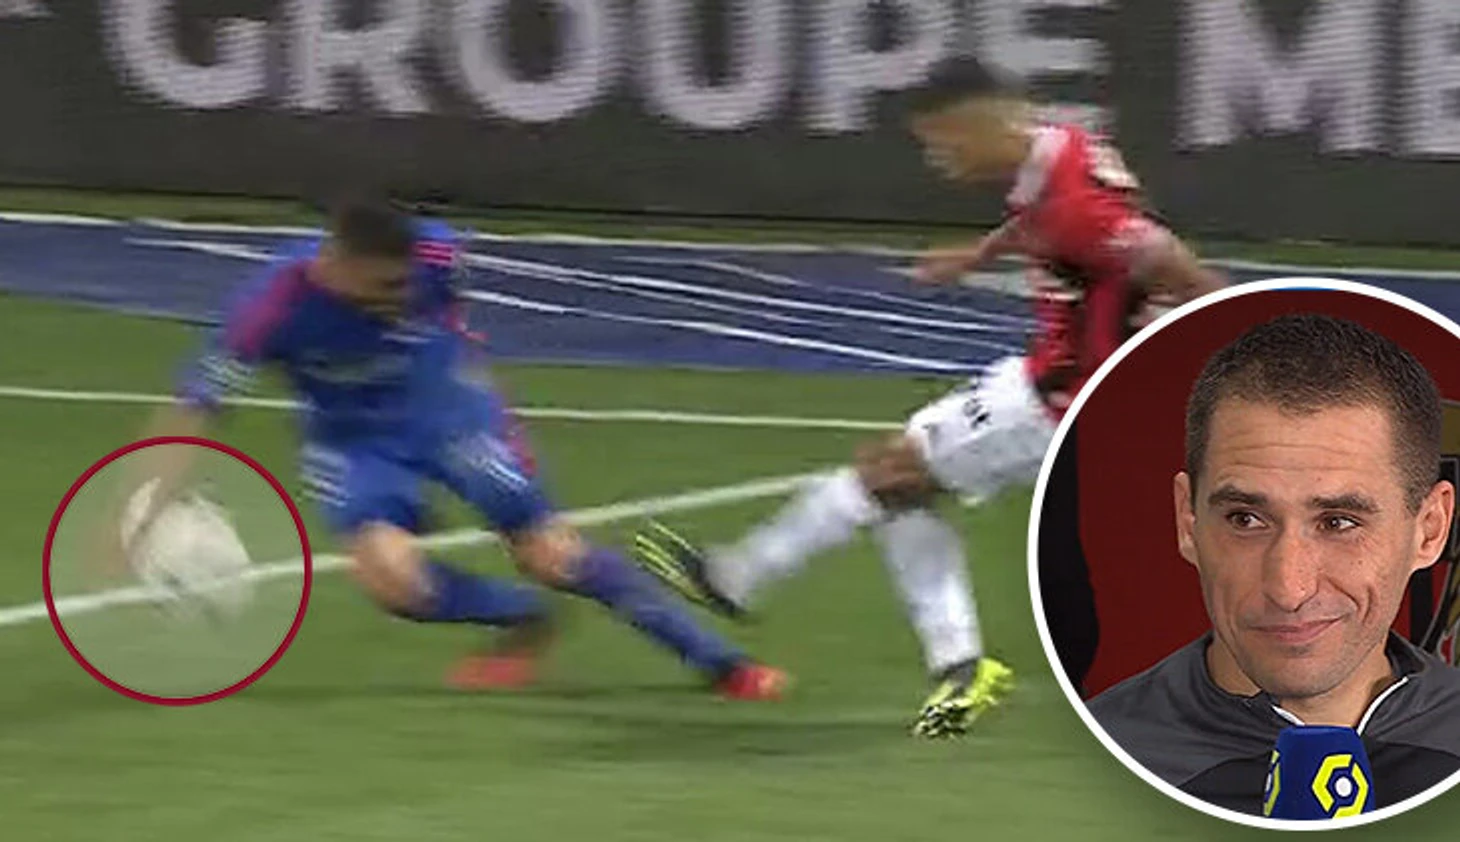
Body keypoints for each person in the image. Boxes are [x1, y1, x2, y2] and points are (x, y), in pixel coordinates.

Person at [631, 62, 1226, 738]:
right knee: (901, 484)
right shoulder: (1059, 146)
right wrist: (977, 256)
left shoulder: (1074, 206)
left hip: (1067, 399)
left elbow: (1158, 255)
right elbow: (1049, 225)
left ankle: (739, 577)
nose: (939, 159)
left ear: (984, 121)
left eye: (944, 141)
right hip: (1064, 382)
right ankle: (959, 665)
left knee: (886, 472)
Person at [110, 197, 786, 701]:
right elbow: (194, 408)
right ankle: (525, 617)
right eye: (385, 287)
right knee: (392, 581)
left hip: (451, 414)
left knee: (552, 555)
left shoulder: (434, 253)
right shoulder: (267, 310)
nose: (402, 298)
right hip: (355, 442)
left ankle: (725, 667)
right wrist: (138, 512)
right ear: (333, 267)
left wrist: (471, 380)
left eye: (406, 284)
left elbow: (452, 316)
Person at [1089, 313, 1460, 813]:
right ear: (1188, 522)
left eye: (1339, 522)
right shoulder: (1088, 762)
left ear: (1429, 530)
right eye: (1245, 519)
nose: (1289, 589)